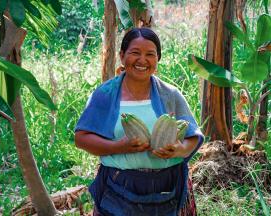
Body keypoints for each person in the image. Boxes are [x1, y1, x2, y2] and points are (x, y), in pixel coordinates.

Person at [74, 27, 204, 216]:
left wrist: (180, 149)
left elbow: (192, 135)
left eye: (150, 54)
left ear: (157, 60)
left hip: (168, 187)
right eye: (135, 53)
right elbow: (81, 138)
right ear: (122, 56)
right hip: (119, 187)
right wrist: (119, 146)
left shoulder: (170, 95)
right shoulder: (105, 95)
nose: (142, 60)